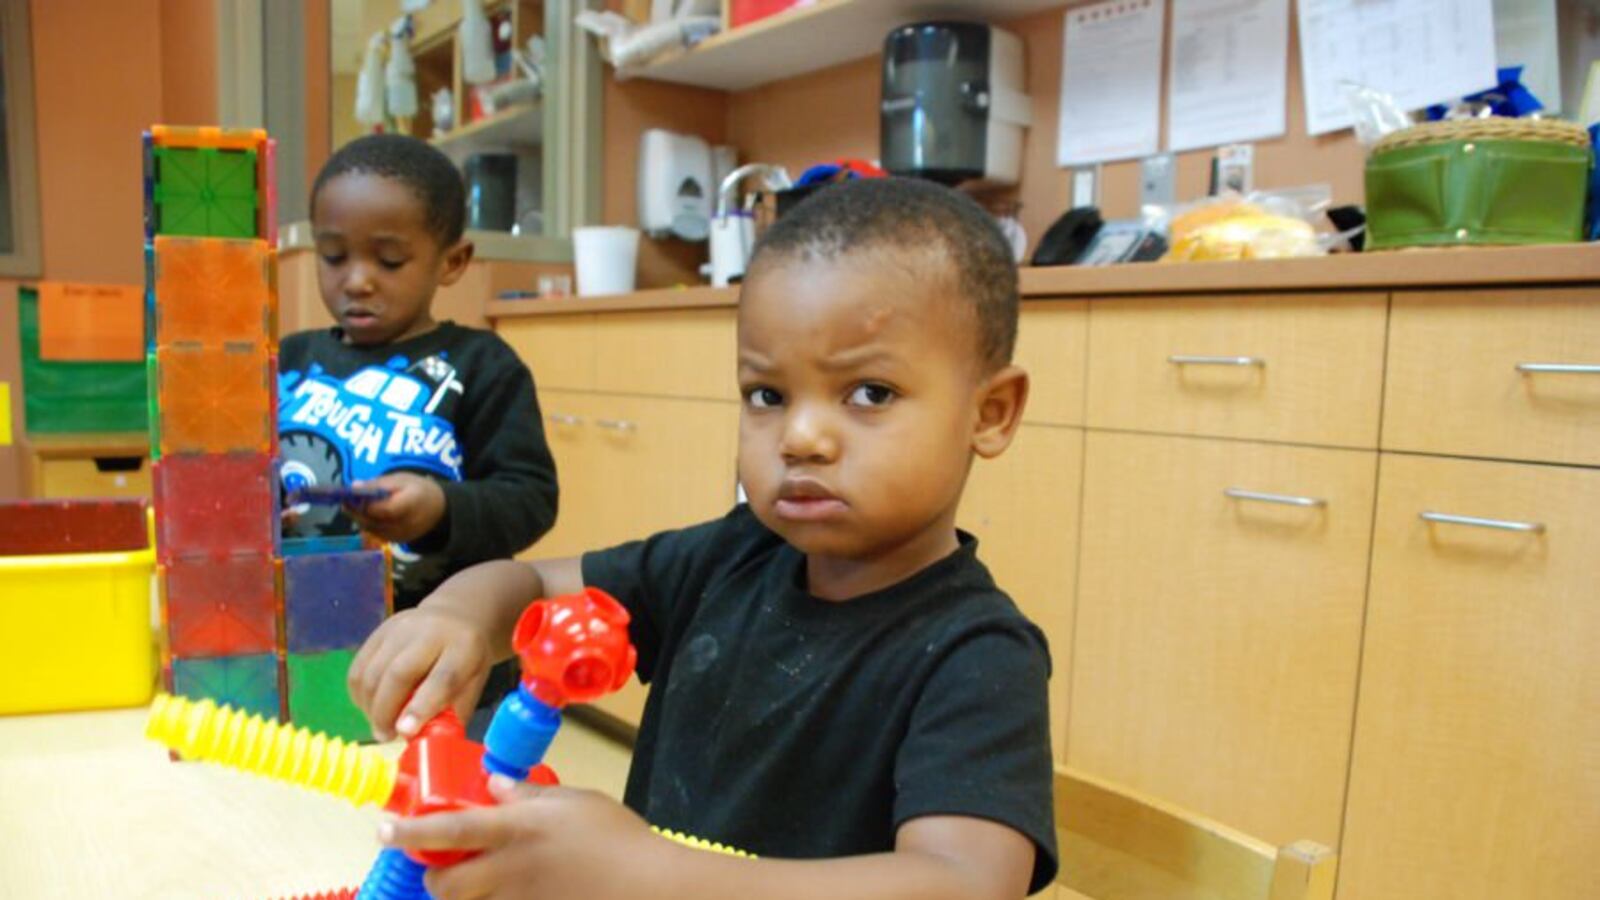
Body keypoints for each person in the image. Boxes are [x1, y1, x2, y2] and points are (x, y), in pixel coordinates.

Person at [348, 176, 1058, 900]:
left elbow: (966, 883)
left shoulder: (979, 655)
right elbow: (530, 587)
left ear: (991, 412)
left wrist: (641, 873)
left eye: (869, 393)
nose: (801, 437)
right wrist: (457, 617)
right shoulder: (728, 557)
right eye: (767, 396)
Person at [278, 133, 559, 659]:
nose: (357, 281)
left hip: (440, 656)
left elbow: (531, 499)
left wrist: (440, 509)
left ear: (452, 262)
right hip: (305, 639)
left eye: (388, 261)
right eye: (334, 256)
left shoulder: (482, 366)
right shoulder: (288, 361)